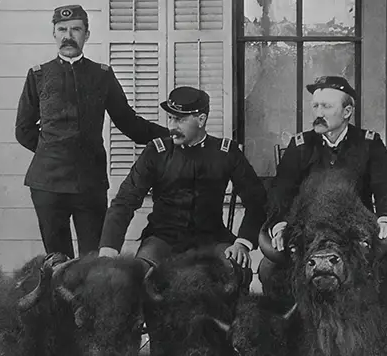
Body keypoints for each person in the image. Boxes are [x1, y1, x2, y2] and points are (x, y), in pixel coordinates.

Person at [15, 4, 168, 259]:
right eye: (62, 29)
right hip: (47, 185)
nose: (68, 36)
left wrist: (168, 136)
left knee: (92, 260)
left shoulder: (102, 75)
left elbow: (128, 122)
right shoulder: (38, 76)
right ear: (54, 34)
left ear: (86, 34)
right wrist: (51, 152)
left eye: (76, 29)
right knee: (57, 261)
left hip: (90, 184)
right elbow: (23, 130)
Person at [97, 86, 267, 288]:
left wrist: (242, 243)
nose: (171, 126)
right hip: (162, 240)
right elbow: (125, 201)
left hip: (211, 240)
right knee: (141, 278)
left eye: (179, 120)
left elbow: (257, 200)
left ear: (201, 120)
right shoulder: (156, 152)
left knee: (236, 272)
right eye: (170, 118)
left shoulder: (226, 153)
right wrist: (109, 248)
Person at [258, 75, 387, 295]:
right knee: (268, 270)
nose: (318, 113)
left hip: (354, 237)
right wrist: (279, 225)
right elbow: (281, 191)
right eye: (315, 106)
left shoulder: (370, 144)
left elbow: (385, 188)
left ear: (347, 112)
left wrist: (385, 218)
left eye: (326, 106)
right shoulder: (300, 146)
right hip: (307, 237)